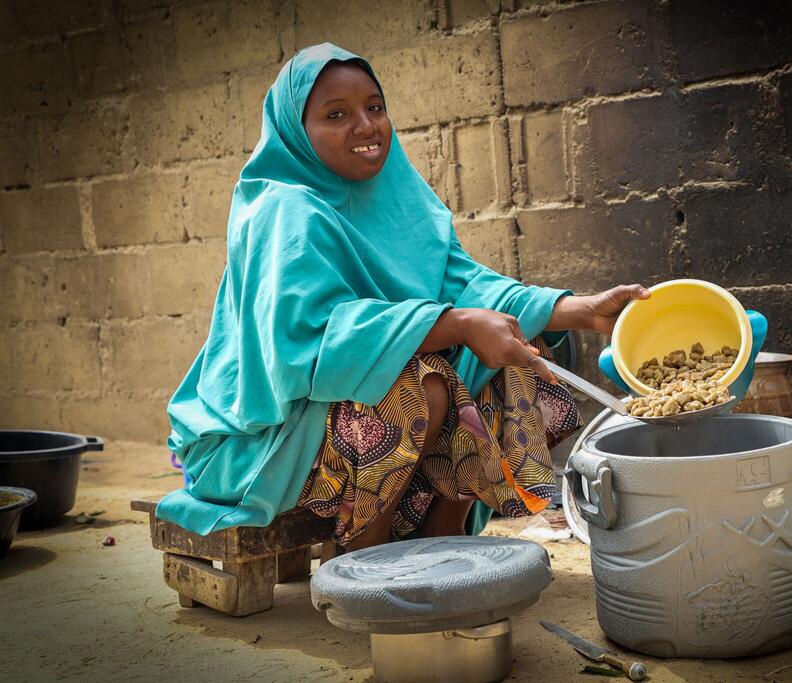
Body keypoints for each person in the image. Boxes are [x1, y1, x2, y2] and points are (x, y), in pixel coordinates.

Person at [156, 43, 649, 551]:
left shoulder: (396, 194)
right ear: (296, 131)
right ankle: (367, 553)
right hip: (266, 437)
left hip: (343, 429)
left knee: (516, 361)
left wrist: (583, 311)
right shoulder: (283, 211)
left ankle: (442, 535)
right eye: (336, 115)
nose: (366, 127)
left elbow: (467, 286)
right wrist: (456, 325)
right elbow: (307, 347)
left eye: (374, 107)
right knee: (422, 384)